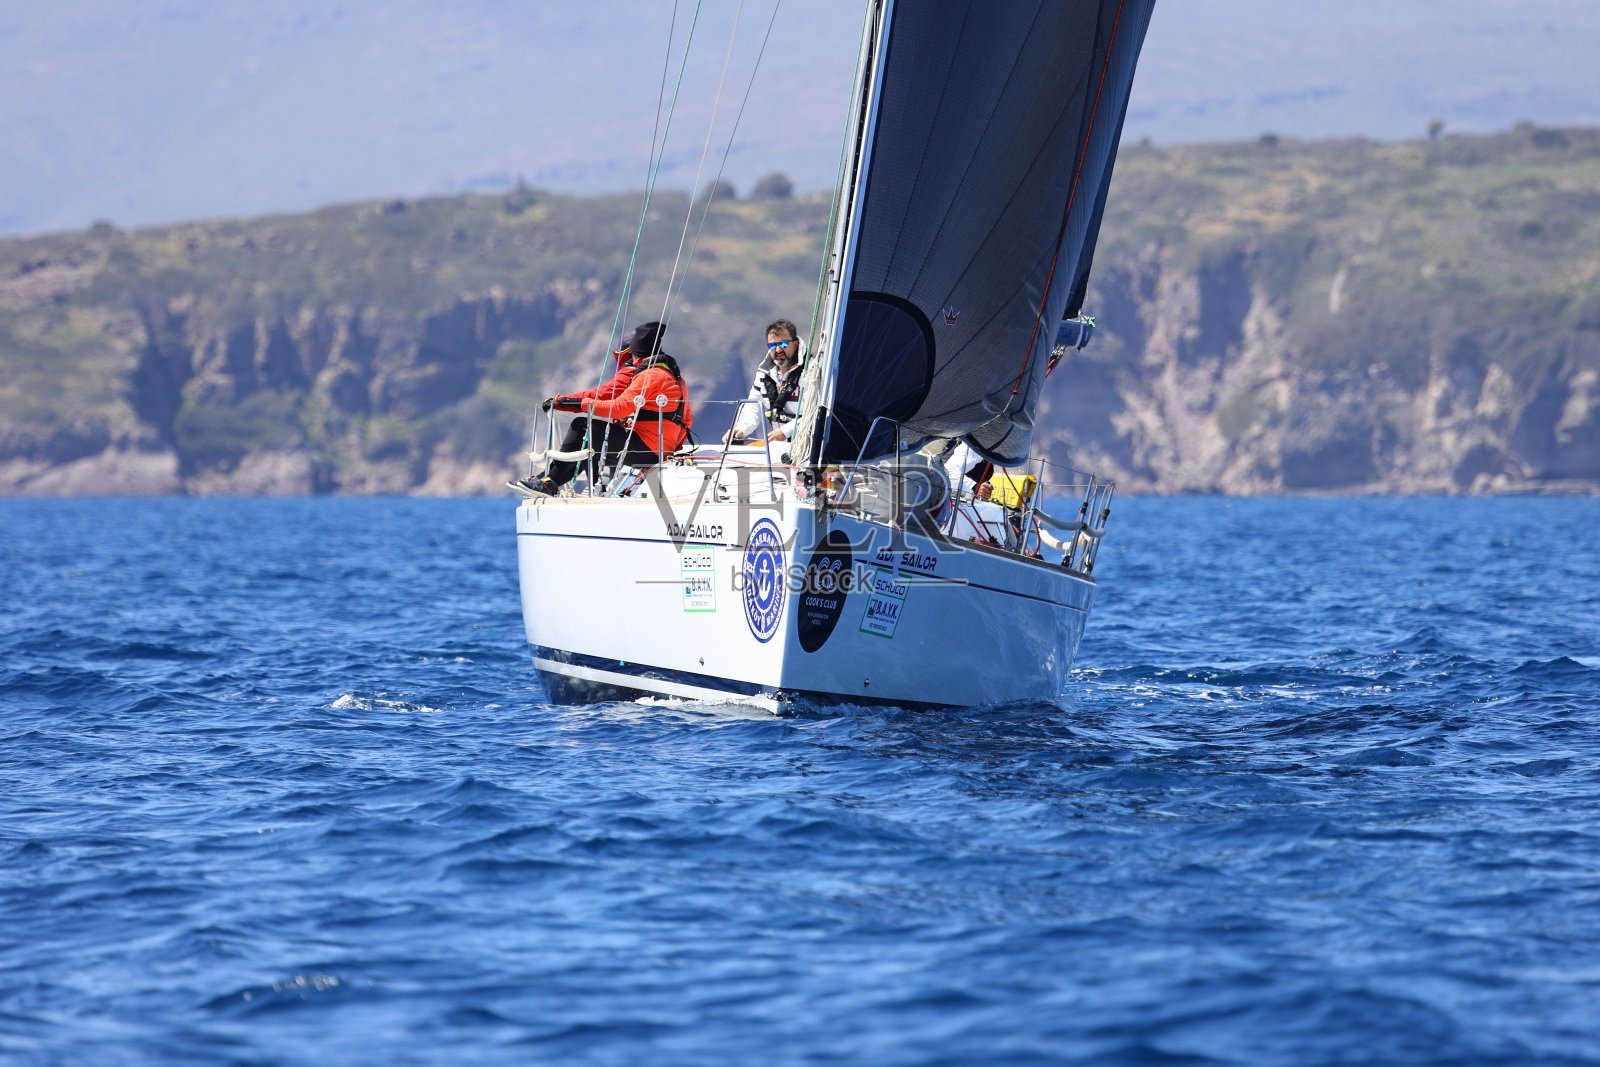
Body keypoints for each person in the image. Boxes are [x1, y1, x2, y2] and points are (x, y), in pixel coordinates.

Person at [515, 321, 665, 495]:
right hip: (659, 446)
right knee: (592, 440)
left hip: (647, 447)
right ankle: (552, 480)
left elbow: (604, 395)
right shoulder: (668, 373)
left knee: (585, 428)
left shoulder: (637, 371)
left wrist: (563, 402)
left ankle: (551, 481)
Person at [574, 350, 694, 477]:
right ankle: (568, 483)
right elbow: (686, 421)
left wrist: (571, 403)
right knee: (593, 446)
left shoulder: (639, 374)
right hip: (659, 449)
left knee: (584, 430)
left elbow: (613, 402)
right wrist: (673, 446)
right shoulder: (677, 379)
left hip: (643, 447)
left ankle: (554, 481)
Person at [724, 318, 805, 445]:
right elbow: (753, 406)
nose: (778, 350)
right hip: (780, 447)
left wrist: (785, 431)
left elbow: (815, 411)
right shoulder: (764, 373)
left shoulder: (811, 372)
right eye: (772, 345)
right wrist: (740, 429)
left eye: (783, 344)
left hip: (808, 447)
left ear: (795, 345)